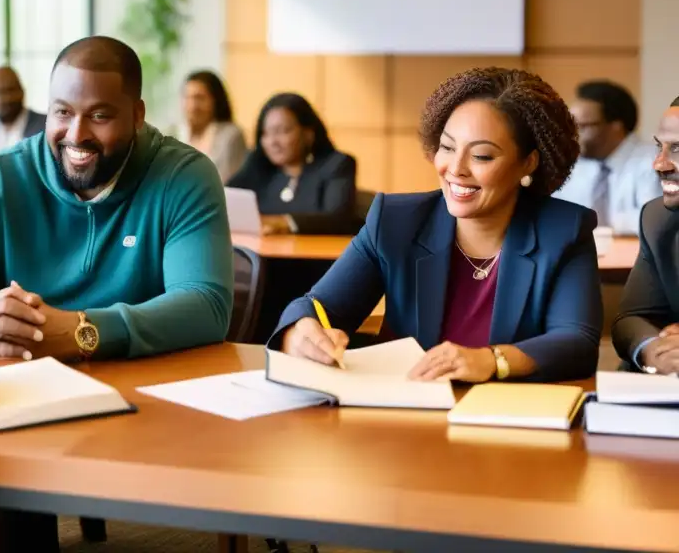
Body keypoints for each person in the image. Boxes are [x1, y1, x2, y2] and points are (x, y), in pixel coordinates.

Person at [272, 67, 602, 384]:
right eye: (447, 147)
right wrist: (299, 331)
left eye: (482, 156)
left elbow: (576, 341)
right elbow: (318, 305)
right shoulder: (395, 220)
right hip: (405, 413)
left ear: (528, 162)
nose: (455, 169)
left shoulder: (564, 229)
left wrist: (491, 360)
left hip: (503, 419)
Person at [0, 35, 233, 361]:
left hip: (147, 386)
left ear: (137, 116)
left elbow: (206, 305)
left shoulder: (184, 175)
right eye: (63, 112)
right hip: (24, 379)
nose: (76, 134)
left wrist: (81, 331)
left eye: (99, 116)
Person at [227, 93, 359, 235]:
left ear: (308, 134)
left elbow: (338, 219)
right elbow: (226, 197)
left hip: (315, 255)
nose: (272, 142)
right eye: (265, 133)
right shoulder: (258, 167)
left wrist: (283, 222)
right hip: (263, 254)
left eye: (282, 131)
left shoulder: (336, 165)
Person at [611, 96, 679, 373]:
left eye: (677, 149)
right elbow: (631, 319)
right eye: (658, 147)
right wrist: (655, 350)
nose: (659, 164)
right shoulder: (658, 220)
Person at [554, 80, 660, 234]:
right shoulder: (578, 165)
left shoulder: (654, 161)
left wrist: (602, 223)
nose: (571, 136)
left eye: (581, 127)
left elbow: (656, 221)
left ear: (616, 126)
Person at [174, 70, 247, 182]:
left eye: (199, 98)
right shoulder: (175, 133)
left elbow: (227, 182)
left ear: (215, 100)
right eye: (187, 98)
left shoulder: (231, 136)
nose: (192, 106)